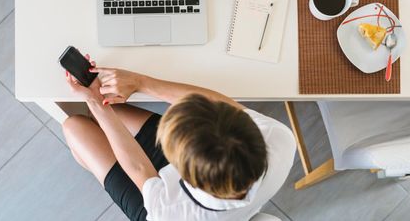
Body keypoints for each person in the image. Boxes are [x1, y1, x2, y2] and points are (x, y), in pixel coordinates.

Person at [62, 55, 296, 221]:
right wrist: (141, 82)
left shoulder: (171, 213)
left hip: (158, 204)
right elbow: (220, 104)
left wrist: (94, 101)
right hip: (210, 185)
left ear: (184, 174)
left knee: (75, 127)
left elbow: (139, 168)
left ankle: (90, 158)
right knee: (105, 113)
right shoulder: (278, 139)